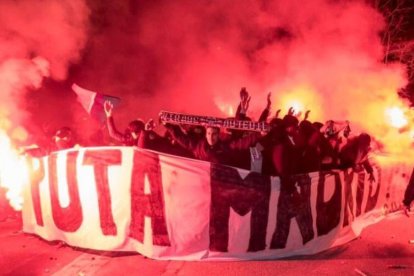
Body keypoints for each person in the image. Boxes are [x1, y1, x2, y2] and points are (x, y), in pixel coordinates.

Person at [163, 122, 261, 167]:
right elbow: (181, 138)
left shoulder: (225, 147)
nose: (211, 137)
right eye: (209, 133)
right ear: (205, 134)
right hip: (202, 184)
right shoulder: (198, 146)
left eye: (214, 134)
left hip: (220, 184)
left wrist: (260, 134)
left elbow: (242, 143)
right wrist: (167, 125)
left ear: (218, 135)